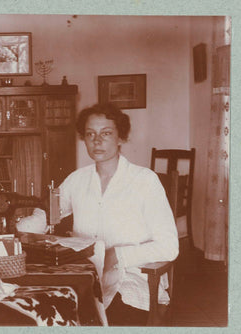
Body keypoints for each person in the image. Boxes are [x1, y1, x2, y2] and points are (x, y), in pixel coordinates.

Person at [58, 103, 179, 326]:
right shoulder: (77, 179)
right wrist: (30, 222)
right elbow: (50, 212)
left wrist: (117, 255)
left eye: (106, 133)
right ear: (83, 139)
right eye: (90, 134)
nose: (96, 141)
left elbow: (169, 247)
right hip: (82, 278)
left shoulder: (145, 181)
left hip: (131, 279)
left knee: (104, 318)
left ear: (121, 138)